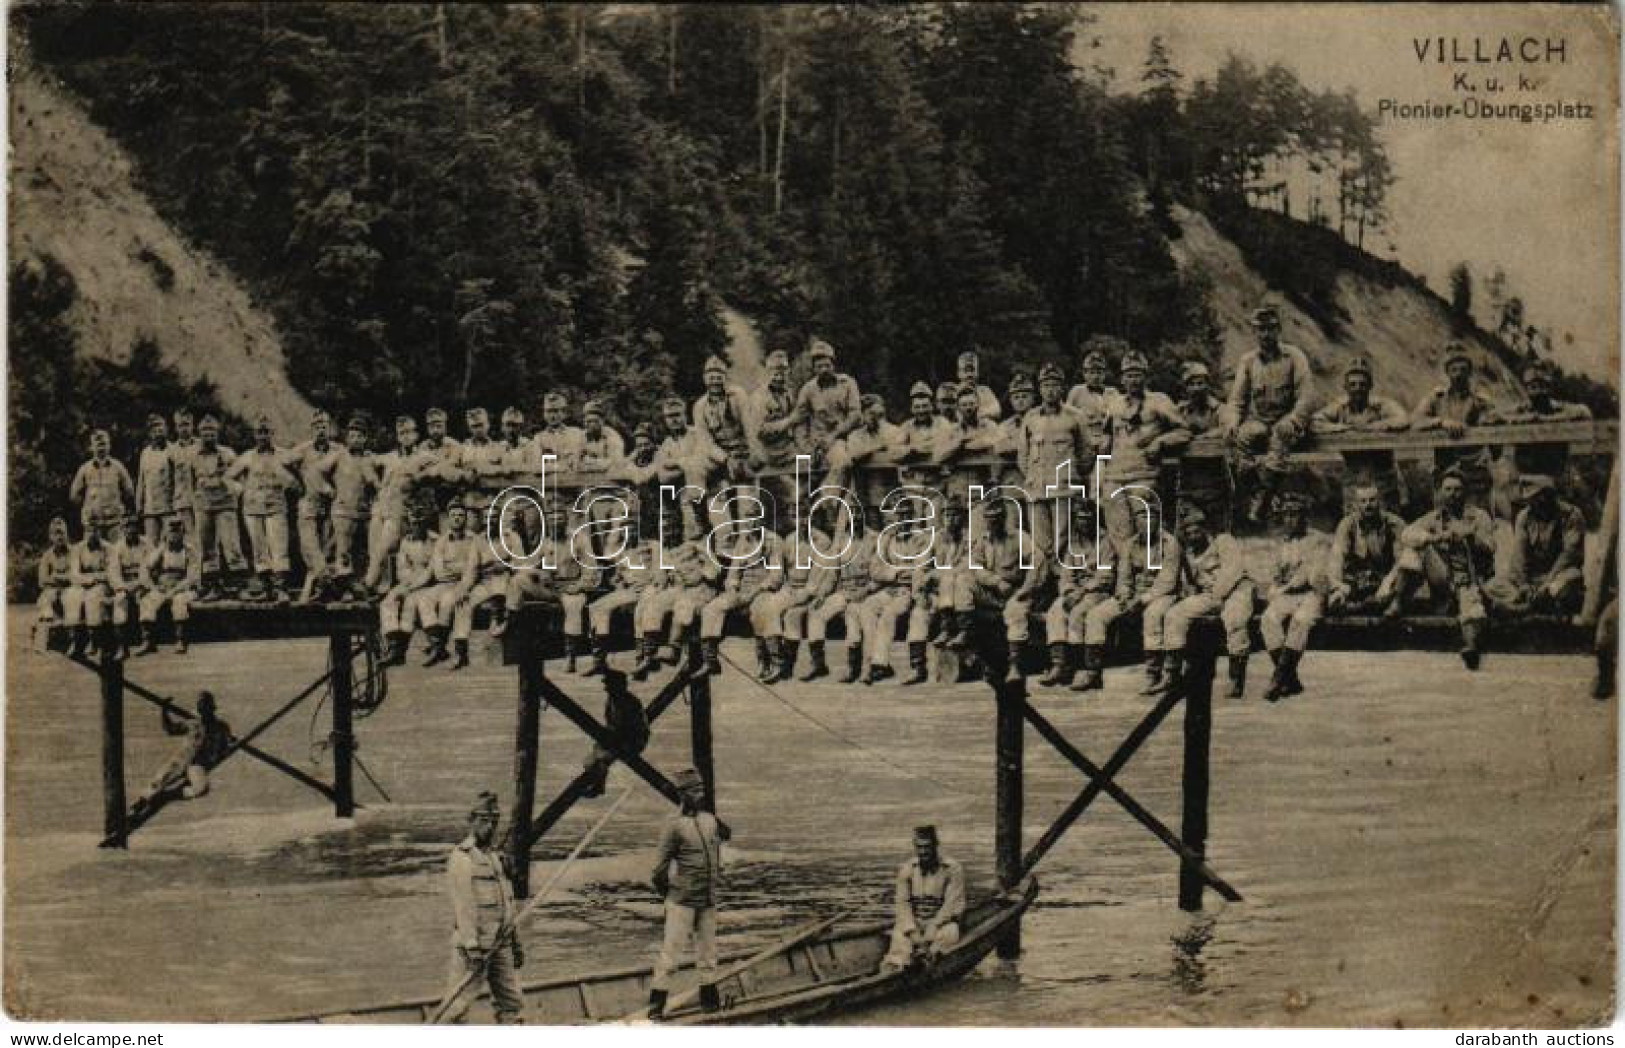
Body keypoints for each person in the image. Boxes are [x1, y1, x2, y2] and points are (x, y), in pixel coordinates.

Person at [1391, 466, 1497, 669]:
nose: (1452, 495)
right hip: (1444, 577)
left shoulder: (1479, 516)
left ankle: (1471, 647)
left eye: (1457, 489)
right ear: (1440, 492)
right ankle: (1397, 603)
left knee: (1471, 605)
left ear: (1465, 492)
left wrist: (1470, 536)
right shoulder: (1434, 517)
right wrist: (1434, 537)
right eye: (1447, 489)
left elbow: (1491, 547)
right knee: (1415, 550)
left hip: (1472, 577)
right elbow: (1406, 534)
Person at [647, 768, 730, 1018]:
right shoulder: (674, 826)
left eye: (701, 789)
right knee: (670, 956)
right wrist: (671, 894)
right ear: (682, 795)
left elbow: (715, 859)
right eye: (694, 791)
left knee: (708, 954)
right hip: (682, 901)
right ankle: (655, 1009)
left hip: (707, 900)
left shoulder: (709, 821)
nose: (700, 795)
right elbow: (658, 870)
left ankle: (710, 1005)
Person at [1226, 302, 1314, 524]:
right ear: (1254, 332)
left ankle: (1263, 499)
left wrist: (1294, 420)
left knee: (1281, 437)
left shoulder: (1295, 357)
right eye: (1261, 329)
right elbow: (1237, 400)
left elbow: (1306, 396)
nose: (1266, 334)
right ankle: (1255, 495)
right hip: (1260, 421)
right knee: (1239, 439)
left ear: (1279, 330)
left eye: (1271, 328)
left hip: (1289, 420)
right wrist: (1233, 422)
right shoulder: (1248, 361)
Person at [445, 791, 525, 1025]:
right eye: (483, 821)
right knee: (457, 1006)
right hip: (475, 948)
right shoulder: (462, 859)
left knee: (512, 1002)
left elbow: (507, 903)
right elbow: (464, 906)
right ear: (471, 822)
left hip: (501, 944)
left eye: (493, 821)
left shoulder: (495, 858)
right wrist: (472, 947)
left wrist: (515, 942)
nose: (489, 827)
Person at [1159, 509, 1255, 698]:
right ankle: (1172, 673)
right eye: (1189, 533)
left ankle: (1236, 679)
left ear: (1205, 529)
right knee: (1174, 615)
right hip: (1210, 595)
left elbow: (1233, 571)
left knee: (1234, 619)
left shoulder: (1224, 541)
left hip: (1236, 589)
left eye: (1197, 531)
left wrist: (1218, 597)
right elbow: (1191, 581)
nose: (1194, 536)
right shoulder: (1189, 553)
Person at [1100, 350, 1189, 543]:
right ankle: (1124, 571)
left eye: (1138, 375)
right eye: (1129, 375)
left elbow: (1183, 431)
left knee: (1147, 531)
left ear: (1146, 377)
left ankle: (1149, 571)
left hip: (1144, 476)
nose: (1133, 380)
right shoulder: (1114, 404)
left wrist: (1159, 442)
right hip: (1114, 477)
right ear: (1122, 379)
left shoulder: (1159, 401)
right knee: (1118, 532)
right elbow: (1106, 437)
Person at [1258, 493, 1330, 702]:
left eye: (1295, 515)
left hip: (1312, 593)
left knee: (1301, 620)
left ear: (1304, 517)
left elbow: (1309, 575)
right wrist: (1275, 584)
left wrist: (1285, 585)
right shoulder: (1282, 542)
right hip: (1287, 594)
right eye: (1287, 515)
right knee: (1268, 620)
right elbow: (1275, 571)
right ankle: (1290, 679)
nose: (1290, 520)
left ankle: (1278, 678)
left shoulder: (1318, 541)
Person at [699, 500, 784, 679]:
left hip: (763, 590)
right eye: (747, 518)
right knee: (712, 608)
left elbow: (776, 576)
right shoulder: (742, 541)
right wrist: (732, 588)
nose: (751, 523)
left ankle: (772, 660)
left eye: (755, 518)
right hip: (743, 591)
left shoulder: (773, 540)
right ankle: (710, 659)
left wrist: (756, 592)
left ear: (762, 519)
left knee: (763, 610)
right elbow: (734, 572)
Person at [1039, 498, 1116, 691]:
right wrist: (1068, 592)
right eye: (1080, 518)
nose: (1084, 523)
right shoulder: (1073, 544)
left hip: (1098, 592)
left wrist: (1081, 592)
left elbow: (1105, 576)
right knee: (1056, 611)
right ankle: (1059, 664)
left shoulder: (1105, 542)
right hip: (1076, 592)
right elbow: (1066, 574)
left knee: (1078, 614)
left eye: (1088, 518)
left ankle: (1084, 669)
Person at [1483, 474, 1587, 616]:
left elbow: (1569, 555)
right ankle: (1530, 603)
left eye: (1538, 498)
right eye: (1530, 500)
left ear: (1549, 495)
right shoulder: (1525, 516)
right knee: (1491, 586)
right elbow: (1520, 555)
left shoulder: (1571, 515)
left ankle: (1525, 606)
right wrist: (1524, 584)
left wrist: (1548, 581)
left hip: (1558, 575)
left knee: (1569, 579)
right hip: (1533, 578)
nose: (1534, 503)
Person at [1023, 362, 1095, 562]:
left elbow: (1087, 454)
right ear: (1040, 389)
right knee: (1040, 543)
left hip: (1064, 489)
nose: (1050, 390)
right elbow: (1023, 456)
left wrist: (1071, 476)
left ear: (1062, 388)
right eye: (1046, 385)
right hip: (1037, 488)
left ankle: (1064, 584)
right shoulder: (1030, 418)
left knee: (1063, 541)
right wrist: (1033, 477)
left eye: (1055, 385)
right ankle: (1043, 586)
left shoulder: (1075, 416)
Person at [227, 415, 302, 603]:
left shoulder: (283, 454)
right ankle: (266, 587)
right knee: (259, 549)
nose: (263, 436)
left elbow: (301, 468)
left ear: (272, 433)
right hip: (252, 508)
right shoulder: (247, 457)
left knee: (279, 547)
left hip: (276, 506)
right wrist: (241, 489)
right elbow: (228, 477)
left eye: (266, 432)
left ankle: (280, 589)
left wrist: (291, 482)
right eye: (259, 432)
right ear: (254, 435)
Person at [804, 507, 880, 683]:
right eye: (851, 514)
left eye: (859, 513)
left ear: (864, 515)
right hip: (845, 591)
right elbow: (832, 573)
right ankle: (818, 664)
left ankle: (864, 669)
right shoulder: (841, 542)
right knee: (816, 613)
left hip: (868, 592)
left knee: (858, 620)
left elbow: (881, 574)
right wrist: (822, 595)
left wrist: (867, 590)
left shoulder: (875, 540)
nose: (855, 518)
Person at [881, 825, 965, 972]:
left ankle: (927, 958)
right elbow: (903, 905)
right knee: (899, 938)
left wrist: (934, 927)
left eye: (927, 847)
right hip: (915, 923)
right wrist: (913, 933)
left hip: (941, 924)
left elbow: (951, 905)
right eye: (919, 847)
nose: (923, 852)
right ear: (915, 847)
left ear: (936, 845)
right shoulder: (907, 869)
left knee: (949, 933)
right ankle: (896, 967)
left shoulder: (952, 869)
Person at [134, 691, 232, 811]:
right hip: (182, 759)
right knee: (161, 779)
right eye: (201, 707)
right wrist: (164, 710)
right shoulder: (193, 724)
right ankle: (141, 802)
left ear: (212, 708)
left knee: (201, 788)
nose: (203, 711)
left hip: (197, 765)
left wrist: (218, 754)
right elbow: (170, 729)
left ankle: (168, 796)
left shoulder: (221, 727)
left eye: (205, 707)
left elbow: (225, 746)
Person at [189, 416, 249, 600]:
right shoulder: (192, 456)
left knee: (231, 545)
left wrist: (230, 490)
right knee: (207, 548)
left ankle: (240, 586)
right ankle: (213, 586)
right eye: (205, 432)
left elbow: (241, 482)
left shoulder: (228, 454)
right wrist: (196, 500)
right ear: (199, 434)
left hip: (225, 505)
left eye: (212, 432)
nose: (208, 435)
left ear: (217, 433)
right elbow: (190, 482)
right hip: (204, 506)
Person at [1325, 483, 1406, 617]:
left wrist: (1388, 582)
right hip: (1358, 580)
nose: (1368, 505)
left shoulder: (1394, 524)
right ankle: (1357, 605)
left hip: (1385, 579)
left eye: (1372, 500)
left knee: (1399, 582)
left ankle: (1370, 605)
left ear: (1379, 501)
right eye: (1363, 501)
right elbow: (1337, 557)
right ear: (1356, 504)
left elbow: (1401, 561)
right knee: (1334, 594)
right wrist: (1338, 586)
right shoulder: (1347, 525)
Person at [417, 502, 481, 668]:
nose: (457, 519)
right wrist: (459, 568)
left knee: (453, 602)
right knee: (424, 599)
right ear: (448, 519)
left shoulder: (474, 539)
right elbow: (438, 571)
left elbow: (473, 568)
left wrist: (463, 586)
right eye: (454, 516)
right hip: (444, 583)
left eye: (461, 516)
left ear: (466, 519)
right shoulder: (441, 541)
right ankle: (437, 644)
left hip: (464, 584)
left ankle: (457, 651)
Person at [363, 415, 422, 591]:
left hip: (400, 509)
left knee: (384, 546)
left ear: (416, 435)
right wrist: (375, 481)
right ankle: (382, 587)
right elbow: (367, 461)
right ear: (397, 436)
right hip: (381, 507)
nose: (405, 436)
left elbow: (441, 467)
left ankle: (367, 583)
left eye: (409, 432)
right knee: (374, 547)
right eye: (401, 433)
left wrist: (420, 477)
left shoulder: (423, 456)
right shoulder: (389, 457)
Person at [787, 339, 863, 469]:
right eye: (819, 366)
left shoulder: (847, 383)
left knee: (847, 463)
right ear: (814, 369)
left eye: (827, 365)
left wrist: (834, 435)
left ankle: (829, 489)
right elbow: (799, 421)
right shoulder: (808, 389)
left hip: (847, 438)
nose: (824, 370)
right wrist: (806, 449)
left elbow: (855, 415)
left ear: (834, 365)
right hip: (820, 444)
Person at [287, 409, 340, 592]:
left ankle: (323, 584)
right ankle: (323, 579)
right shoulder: (302, 450)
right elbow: (281, 463)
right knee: (308, 544)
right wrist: (293, 482)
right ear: (311, 429)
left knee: (330, 545)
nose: (321, 430)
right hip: (309, 501)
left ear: (329, 428)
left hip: (332, 504)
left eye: (324, 426)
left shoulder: (338, 450)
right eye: (317, 426)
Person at [378, 509, 438, 667]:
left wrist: (417, 584)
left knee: (411, 604)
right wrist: (408, 583)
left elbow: (433, 570)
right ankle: (393, 644)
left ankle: (404, 650)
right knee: (389, 600)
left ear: (426, 523)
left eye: (420, 523)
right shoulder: (406, 542)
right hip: (409, 582)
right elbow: (402, 568)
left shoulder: (435, 541)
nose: (417, 526)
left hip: (429, 583)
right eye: (413, 523)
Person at [327, 417, 377, 597]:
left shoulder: (370, 458)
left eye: (359, 436)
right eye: (352, 436)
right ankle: (343, 588)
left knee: (361, 551)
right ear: (347, 438)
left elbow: (377, 483)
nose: (355, 439)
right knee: (343, 551)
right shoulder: (339, 456)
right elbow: (318, 471)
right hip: (342, 511)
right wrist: (328, 490)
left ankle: (361, 585)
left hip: (364, 512)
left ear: (365, 439)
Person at [136, 516, 199, 655]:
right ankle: (148, 641)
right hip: (163, 586)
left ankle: (180, 640)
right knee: (147, 601)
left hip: (182, 587)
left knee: (179, 602)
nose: (174, 535)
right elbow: (146, 568)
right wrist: (152, 586)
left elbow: (192, 577)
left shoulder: (190, 550)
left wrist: (176, 590)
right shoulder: (161, 550)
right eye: (171, 532)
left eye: (177, 532)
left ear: (182, 533)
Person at [1312, 356, 1409, 434]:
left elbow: (1403, 419)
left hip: (1380, 456)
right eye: (1353, 384)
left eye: (1362, 384)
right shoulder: (1341, 406)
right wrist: (1343, 428)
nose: (1357, 388)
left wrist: (1372, 427)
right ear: (1345, 387)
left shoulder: (1380, 405)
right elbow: (1315, 422)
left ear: (1370, 386)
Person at [69, 429, 134, 540]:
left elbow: (129, 491)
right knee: (92, 555)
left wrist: (116, 506)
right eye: (98, 444)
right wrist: (89, 508)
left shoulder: (118, 467)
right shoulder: (85, 469)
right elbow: (74, 495)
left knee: (115, 554)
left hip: (115, 524)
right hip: (92, 525)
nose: (101, 448)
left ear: (109, 446)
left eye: (104, 444)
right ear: (91, 447)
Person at [64, 522, 116, 658]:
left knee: (94, 597)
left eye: (95, 531)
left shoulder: (109, 548)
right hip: (83, 584)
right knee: (71, 596)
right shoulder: (77, 549)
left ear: (99, 532)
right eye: (88, 531)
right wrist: (88, 580)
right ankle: (74, 641)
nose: (91, 534)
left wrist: (95, 579)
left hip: (102, 585)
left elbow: (112, 573)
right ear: (84, 533)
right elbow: (74, 574)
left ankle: (95, 642)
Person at [692, 356, 752, 467]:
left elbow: (749, 427)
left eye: (719, 378)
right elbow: (705, 441)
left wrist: (752, 452)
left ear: (725, 378)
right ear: (705, 380)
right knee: (696, 467)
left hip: (743, 450)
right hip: (719, 455)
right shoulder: (700, 406)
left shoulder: (738, 395)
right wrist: (725, 459)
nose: (715, 382)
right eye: (712, 378)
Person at [107, 515, 153, 660]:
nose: (131, 530)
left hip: (143, 583)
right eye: (127, 527)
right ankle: (122, 646)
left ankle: (147, 641)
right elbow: (113, 572)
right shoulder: (117, 548)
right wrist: (122, 587)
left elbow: (150, 567)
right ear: (123, 529)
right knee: (119, 602)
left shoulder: (147, 544)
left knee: (146, 600)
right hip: (125, 584)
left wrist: (140, 584)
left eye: (133, 526)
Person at [1499, 361, 1592, 424]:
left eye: (1543, 386)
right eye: (1533, 387)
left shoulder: (1560, 408)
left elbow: (1583, 411)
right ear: (1527, 389)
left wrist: (1544, 419)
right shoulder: (1522, 409)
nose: (1539, 391)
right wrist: (1525, 418)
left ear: (1549, 388)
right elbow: (1495, 415)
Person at [133, 414, 176, 547]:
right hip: (150, 508)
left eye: (161, 429)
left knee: (170, 541)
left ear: (166, 430)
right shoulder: (145, 453)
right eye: (154, 430)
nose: (158, 433)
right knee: (151, 544)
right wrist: (139, 504)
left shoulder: (173, 450)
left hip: (169, 507)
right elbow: (142, 480)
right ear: (150, 433)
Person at [1065, 344, 1120, 446]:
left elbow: (1119, 420)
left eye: (1099, 372)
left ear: (1104, 374)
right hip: (1084, 441)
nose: (1095, 377)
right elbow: (1067, 420)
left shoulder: (1113, 393)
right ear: (1084, 374)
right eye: (1091, 372)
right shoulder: (1077, 392)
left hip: (1108, 442)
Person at [34, 518, 74, 652]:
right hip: (52, 590)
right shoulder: (47, 556)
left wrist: (58, 578)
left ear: (67, 535)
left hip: (70, 589)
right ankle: (41, 644)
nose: (60, 537)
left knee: (71, 600)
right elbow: (42, 581)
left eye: (62, 533)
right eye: (56, 533)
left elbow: (76, 576)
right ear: (51, 536)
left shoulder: (74, 552)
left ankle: (73, 643)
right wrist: (58, 580)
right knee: (45, 601)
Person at [531, 394, 584, 471]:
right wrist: (561, 467)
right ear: (544, 414)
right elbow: (536, 466)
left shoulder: (576, 433)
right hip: (548, 481)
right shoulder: (539, 438)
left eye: (556, 411)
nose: (552, 416)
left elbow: (580, 461)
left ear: (564, 413)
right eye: (549, 412)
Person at [169, 408, 199, 543]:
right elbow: (169, 479)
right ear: (176, 428)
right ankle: (192, 564)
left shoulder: (201, 445)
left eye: (187, 424)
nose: (184, 428)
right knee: (187, 538)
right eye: (181, 425)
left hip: (201, 499)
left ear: (193, 425)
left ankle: (207, 564)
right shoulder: (172, 450)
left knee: (205, 536)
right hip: (182, 500)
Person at [955, 349, 1002, 422]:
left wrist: (975, 415)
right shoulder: (953, 392)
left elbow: (997, 410)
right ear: (959, 373)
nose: (969, 374)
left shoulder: (985, 391)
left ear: (977, 372)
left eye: (972, 370)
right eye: (965, 370)